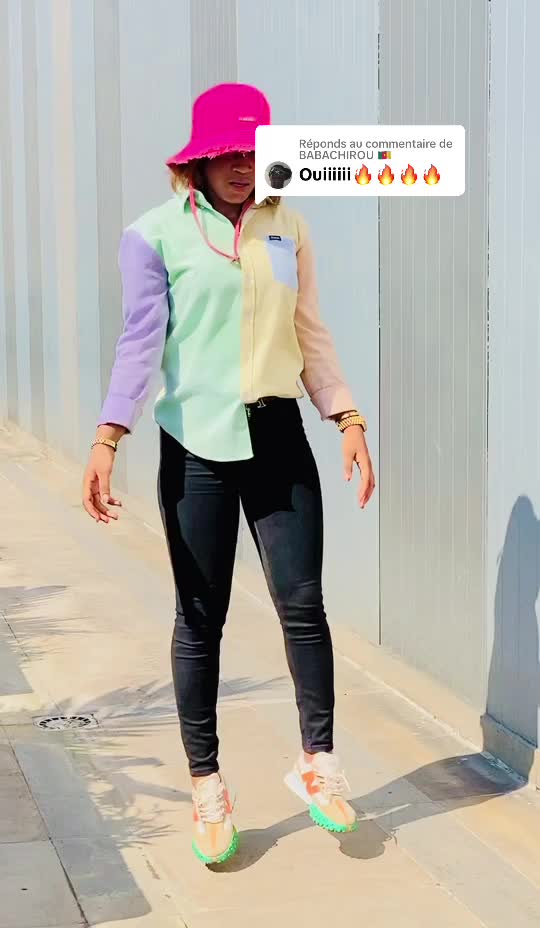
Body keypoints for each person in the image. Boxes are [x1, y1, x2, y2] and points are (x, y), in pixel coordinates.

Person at [82, 82, 375, 865]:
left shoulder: (289, 226)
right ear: (200, 159)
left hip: (279, 438)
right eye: (229, 154)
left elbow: (309, 332)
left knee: (303, 604)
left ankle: (317, 762)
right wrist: (109, 435)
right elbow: (140, 344)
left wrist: (346, 416)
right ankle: (207, 786)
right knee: (199, 619)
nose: (243, 167)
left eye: (255, 153)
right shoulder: (153, 236)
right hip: (197, 449)